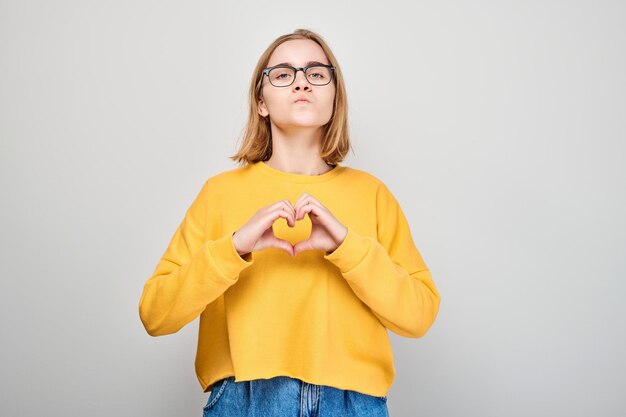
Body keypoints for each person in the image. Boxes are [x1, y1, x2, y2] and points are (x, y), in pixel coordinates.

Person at [138, 28, 441, 417]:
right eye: (283, 74)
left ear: (335, 97)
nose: (301, 81)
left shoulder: (373, 194)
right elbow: (155, 315)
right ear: (261, 101)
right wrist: (233, 248)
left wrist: (347, 247)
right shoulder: (218, 194)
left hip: (353, 403)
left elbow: (418, 317)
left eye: (316, 73)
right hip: (243, 400)